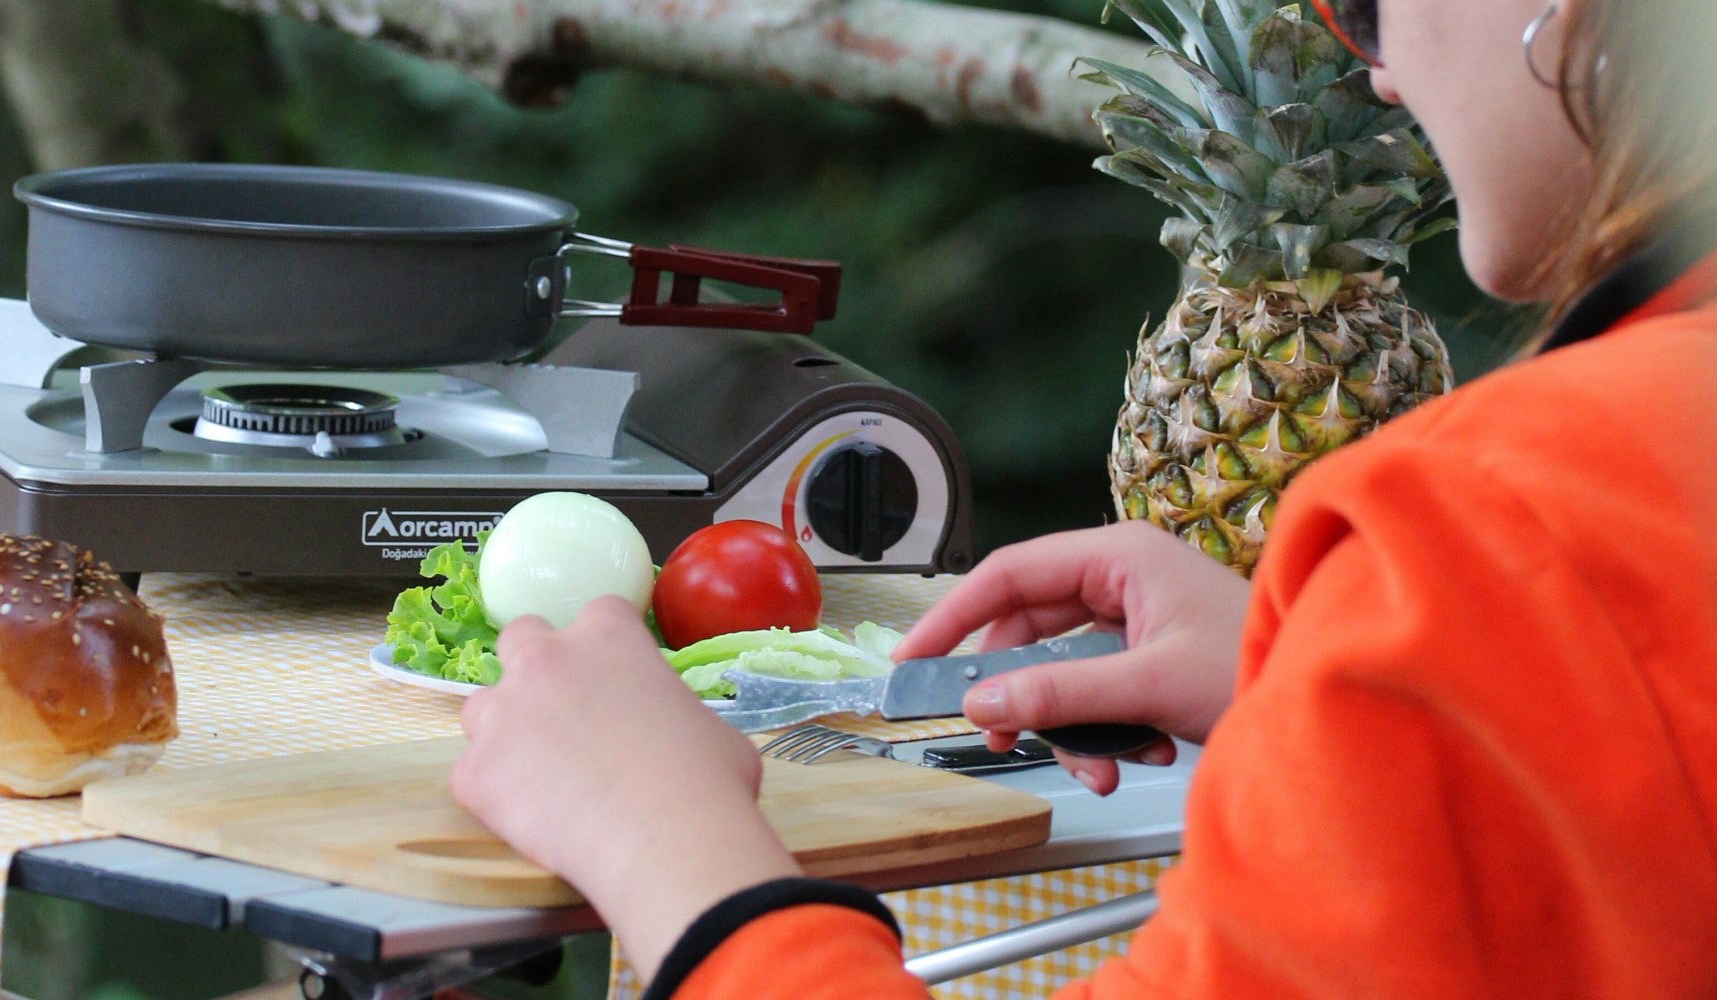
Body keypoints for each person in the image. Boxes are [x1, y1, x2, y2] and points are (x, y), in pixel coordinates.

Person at [450, 0, 1717, 996]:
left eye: (1368, 4)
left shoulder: (1510, 518)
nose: (1379, 74)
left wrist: (675, 860)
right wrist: (1332, 686)